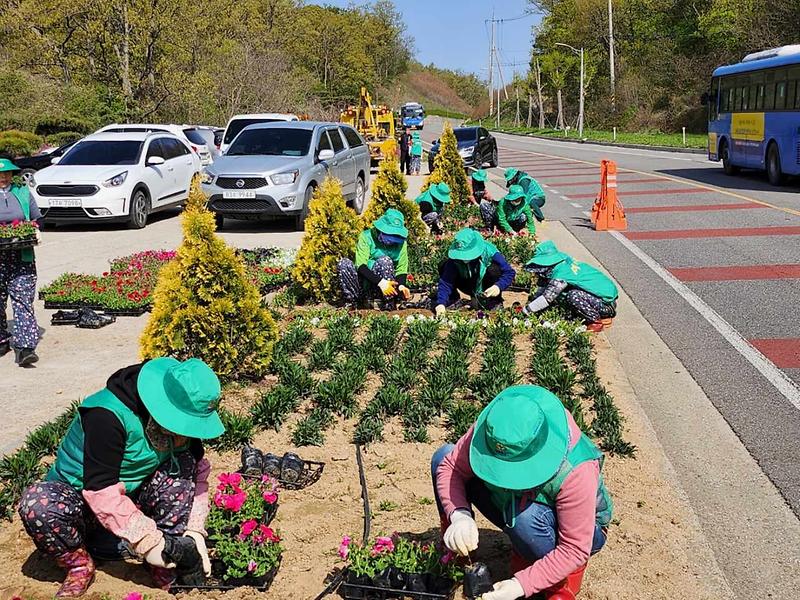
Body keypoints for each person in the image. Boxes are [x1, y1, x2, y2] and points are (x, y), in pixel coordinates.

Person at [18, 357, 225, 597]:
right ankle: (79, 564)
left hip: (129, 498)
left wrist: (195, 530)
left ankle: (163, 557)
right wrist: (149, 543)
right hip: (78, 502)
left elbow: (197, 471)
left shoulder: (181, 418)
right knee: (38, 503)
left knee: (183, 466)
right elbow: (101, 492)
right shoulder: (106, 416)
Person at [432, 385, 612, 600]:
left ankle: (560, 584)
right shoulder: (495, 428)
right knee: (442, 456)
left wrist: (520, 585)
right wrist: (459, 515)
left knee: (525, 520)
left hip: (577, 532)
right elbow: (451, 467)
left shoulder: (576, 469)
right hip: (511, 503)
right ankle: (461, 553)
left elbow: (574, 547)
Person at [522, 241, 618, 332]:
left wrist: (526, 310)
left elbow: (547, 298)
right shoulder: (562, 264)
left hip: (606, 305)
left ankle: (595, 321)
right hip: (600, 299)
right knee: (563, 295)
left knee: (573, 295)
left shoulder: (561, 274)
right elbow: (543, 290)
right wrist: (533, 301)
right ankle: (588, 315)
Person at [0, 157, 42, 366]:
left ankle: (25, 348)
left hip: (21, 254)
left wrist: (33, 228)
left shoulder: (23, 192)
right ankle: (1, 338)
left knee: (23, 299)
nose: (3, 177)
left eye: (7, 173)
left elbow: (37, 218)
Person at [337, 208, 411, 310]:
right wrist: (381, 282)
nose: (392, 240)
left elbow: (401, 268)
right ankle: (352, 303)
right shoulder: (367, 236)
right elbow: (361, 265)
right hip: (364, 282)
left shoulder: (401, 244)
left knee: (385, 261)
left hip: (384, 289)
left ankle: (387, 303)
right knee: (344, 263)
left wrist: (401, 286)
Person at [434, 228, 515, 316]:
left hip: (487, 287)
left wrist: (498, 286)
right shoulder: (455, 260)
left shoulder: (490, 251)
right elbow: (446, 281)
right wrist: (440, 303)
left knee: (494, 269)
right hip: (467, 283)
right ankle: (453, 298)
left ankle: (495, 301)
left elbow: (509, 272)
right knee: (443, 265)